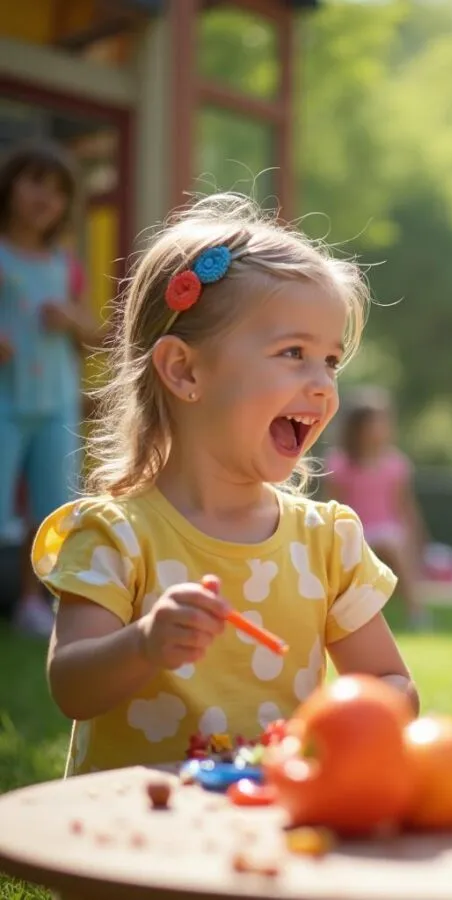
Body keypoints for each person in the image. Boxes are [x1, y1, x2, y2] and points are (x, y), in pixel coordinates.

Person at [31, 193, 417, 777]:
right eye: (294, 353)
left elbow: (389, 680)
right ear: (185, 371)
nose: (322, 385)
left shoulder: (326, 541)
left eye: (331, 360)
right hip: (141, 837)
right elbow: (71, 688)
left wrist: (353, 722)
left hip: (272, 824)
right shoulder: (117, 535)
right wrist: (144, 645)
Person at [0, 140, 103, 637]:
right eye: (36, 182)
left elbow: (95, 332)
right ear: (11, 183)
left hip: (57, 401)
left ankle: (30, 602)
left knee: (51, 508)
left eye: (59, 191)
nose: (46, 198)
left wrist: (71, 319)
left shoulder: (66, 263)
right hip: (5, 399)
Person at [323, 387, 430, 630]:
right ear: (358, 428)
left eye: (385, 423)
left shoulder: (395, 465)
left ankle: (416, 610)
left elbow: (405, 507)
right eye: (375, 423)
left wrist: (417, 537)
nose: (381, 429)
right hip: (354, 529)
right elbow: (332, 506)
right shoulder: (340, 464)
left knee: (392, 543)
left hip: (388, 531)